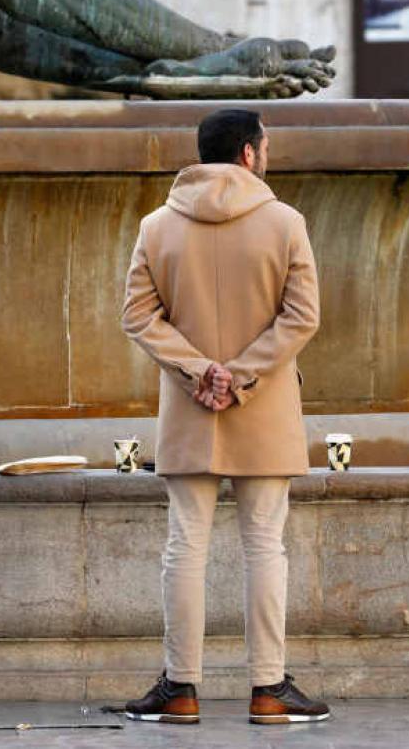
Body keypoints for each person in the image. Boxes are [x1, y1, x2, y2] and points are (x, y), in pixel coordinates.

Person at [120, 108, 328, 724]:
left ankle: (180, 689)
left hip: (188, 410)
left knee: (184, 547)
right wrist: (239, 374)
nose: (266, 155)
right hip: (263, 406)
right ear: (247, 154)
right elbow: (302, 317)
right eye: (264, 146)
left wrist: (198, 371)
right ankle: (268, 689)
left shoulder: (156, 225)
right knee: (265, 545)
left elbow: (138, 316)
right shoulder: (286, 222)